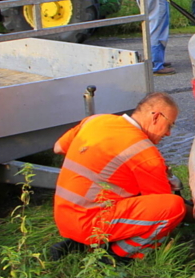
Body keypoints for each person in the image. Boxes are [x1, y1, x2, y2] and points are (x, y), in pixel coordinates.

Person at [48, 92, 187, 262]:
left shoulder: (96, 120)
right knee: (174, 207)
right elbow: (161, 203)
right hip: (90, 223)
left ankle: (81, 243)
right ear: (156, 117)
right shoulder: (144, 152)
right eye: (169, 126)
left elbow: (58, 148)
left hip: (64, 216)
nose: (168, 134)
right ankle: (117, 255)